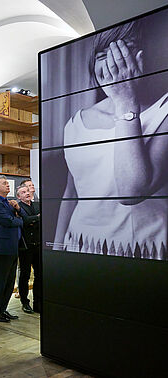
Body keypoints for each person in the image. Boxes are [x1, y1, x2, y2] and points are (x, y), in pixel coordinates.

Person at [53, 20, 168, 260]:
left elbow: (131, 191)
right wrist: (57, 249)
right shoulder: (76, 123)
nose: (113, 64)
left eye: (123, 50)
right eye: (103, 54)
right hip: (80, 247)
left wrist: (125, 102)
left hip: (143, 253)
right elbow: (72, 193)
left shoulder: (163, 110)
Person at [0, 175, 26, 322]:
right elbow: (8, 221)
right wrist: (20, 221)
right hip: (2, 248)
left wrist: (17, 213)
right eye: (4, 183)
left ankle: (2, 309)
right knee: (0, 281)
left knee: (10, 282)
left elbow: (15, 217)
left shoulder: (8, 202)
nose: (7, 185)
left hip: (11, 247)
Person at [16, 185, 41, 314]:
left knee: (39, 275)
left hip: (38, 245)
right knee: (25, 275)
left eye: (27, 191)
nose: (27, 193)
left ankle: (38, 302)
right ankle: (25, 302)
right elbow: (25, 221)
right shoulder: (18, 207)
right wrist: (36, 218)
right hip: (25, 246)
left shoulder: (37, 205)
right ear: (19, 196)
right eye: (23, 192)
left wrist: (33, 220)